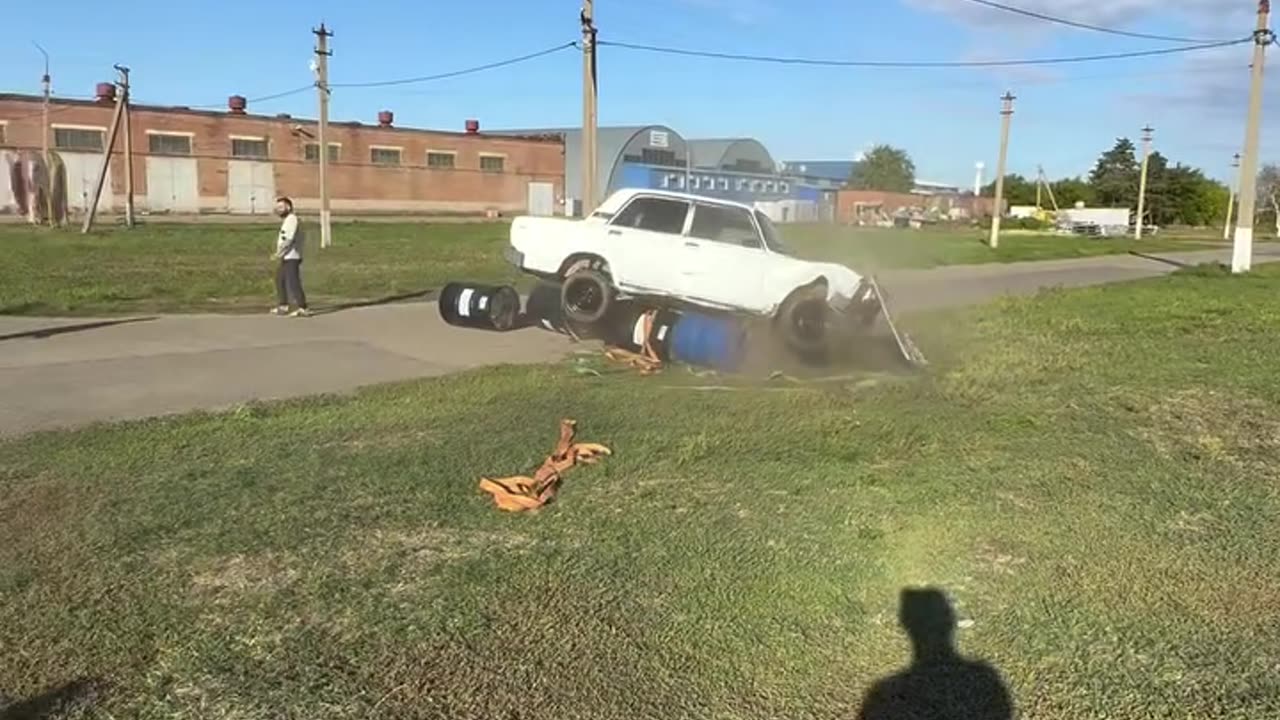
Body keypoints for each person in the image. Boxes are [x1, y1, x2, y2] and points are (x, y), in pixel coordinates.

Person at [270, 196, 310, 317]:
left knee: (293, 282)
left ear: (288, 207)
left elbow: (288, 239)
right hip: (286, 256)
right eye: (277, 208)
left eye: (281, 207)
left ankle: (303, 308)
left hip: (292, 256)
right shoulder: (288, 219)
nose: (279, 210)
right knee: (280, 279)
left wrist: (279, 253)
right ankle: (283, 306)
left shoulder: (292, 219)